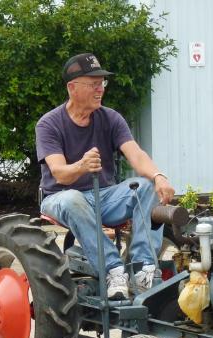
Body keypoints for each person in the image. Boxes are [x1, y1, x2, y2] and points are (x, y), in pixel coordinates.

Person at [36, 53, 175, 300]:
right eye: (94, 84)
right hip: (59, 197)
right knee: (72, 199)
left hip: (104, 195)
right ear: (72, 87)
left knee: (144, 187)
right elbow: (59, 174)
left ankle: (142, 269)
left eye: (102, 83)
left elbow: (137, 155)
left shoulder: (111, 118)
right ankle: (113, 269)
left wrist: (159, 176)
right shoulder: (49, 124)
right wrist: (81, 165)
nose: (100, 89)